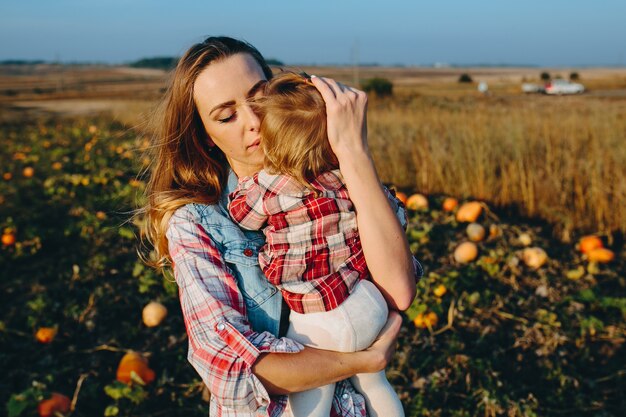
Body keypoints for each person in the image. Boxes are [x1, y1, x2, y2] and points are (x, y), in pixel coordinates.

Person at [139, 36, 419, 417]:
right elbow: (233, 373)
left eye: (258, 98)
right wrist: (361, 361)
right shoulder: (196, 224)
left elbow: (398, 291)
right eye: (227, 116)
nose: (253, 122)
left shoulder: (335, 175)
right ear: (206, 137)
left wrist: (354, 152)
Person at [227, 72, 423, 417]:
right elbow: (389, 216)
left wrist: (247, 181)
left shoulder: (269, 186)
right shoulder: (344, 177)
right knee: (376, 383)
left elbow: (243, 215)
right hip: (367, 305)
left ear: (271, 141)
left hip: (316, 323)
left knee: (309, 396)